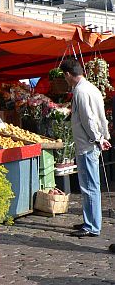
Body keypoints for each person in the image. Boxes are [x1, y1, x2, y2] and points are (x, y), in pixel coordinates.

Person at [59, 58, 111, 238]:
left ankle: (91, 226)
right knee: (91, 185)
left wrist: (97, 138)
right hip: (92, 142)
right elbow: (100, 116)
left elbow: (88, 119)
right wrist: (103, 136)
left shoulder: (81, 91)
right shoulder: (91, 88)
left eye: (64, 76)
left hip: (87, 145)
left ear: (68, 74)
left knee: (89, 186)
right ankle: (90, 220)